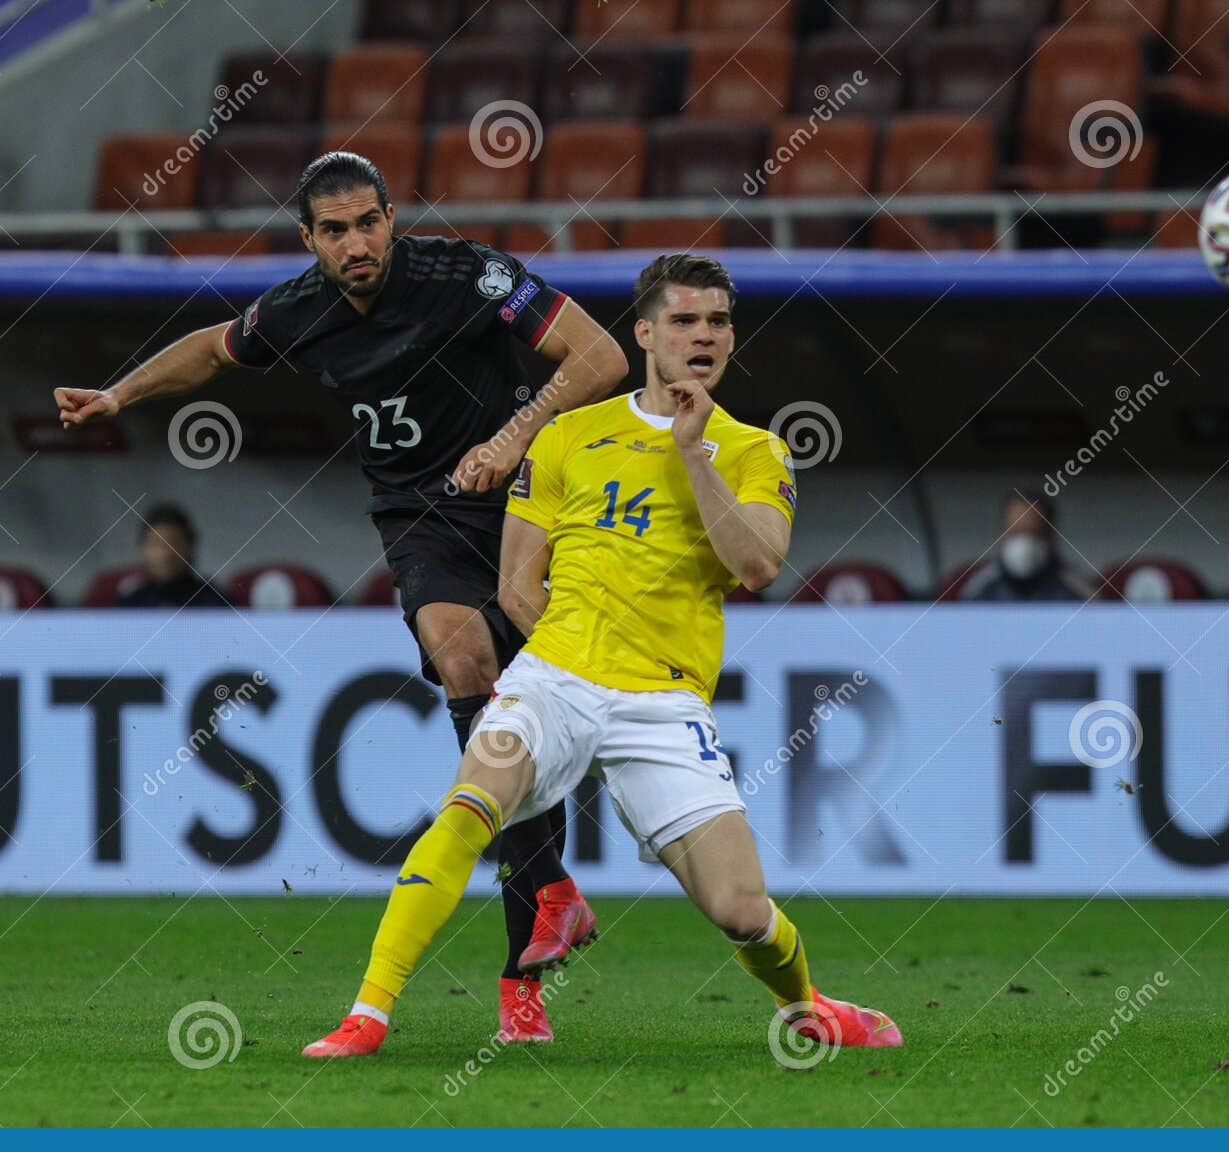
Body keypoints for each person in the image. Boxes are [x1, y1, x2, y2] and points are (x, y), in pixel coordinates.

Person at [54, 151, 630, 1043]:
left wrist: (517, 436)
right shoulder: (298, 310)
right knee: (463, 657)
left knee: (520, 724)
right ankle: (551, 900)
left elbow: (601, 354)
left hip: (525, 506)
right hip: (420, 520)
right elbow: (213, 349)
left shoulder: (465, 274)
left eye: (368, 222)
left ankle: (531, 967)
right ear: (308, 239)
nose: (356, 243)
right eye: (335, 230)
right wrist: (120, 392)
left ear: (391, 218)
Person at [301, 253, 902, 1059]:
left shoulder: (754, 450)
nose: (704, 335)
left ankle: (808, 1004)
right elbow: (518, 587)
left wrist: (693, 452)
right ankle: (367, 1015)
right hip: (556, 679)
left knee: (740, 910)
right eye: (685, 320)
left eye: (718, 321)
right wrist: (575, 654)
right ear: (645, 332)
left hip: (664, 706)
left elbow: (756, 566)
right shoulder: (570, 435)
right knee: (468, 808)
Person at [963, 489, 1093, 602]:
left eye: (1033, 534)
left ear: (1051, 537)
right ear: (1002, 536)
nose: (1024, 543)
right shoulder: (980, 590)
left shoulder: (1078, 591)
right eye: (1015, 533)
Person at [114, 504, 227, 608]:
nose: (165, 554)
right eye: (156, 543)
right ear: (142, 549)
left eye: (174, 543)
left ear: (190, 546)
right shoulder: (129, 603)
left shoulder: (215, 601)